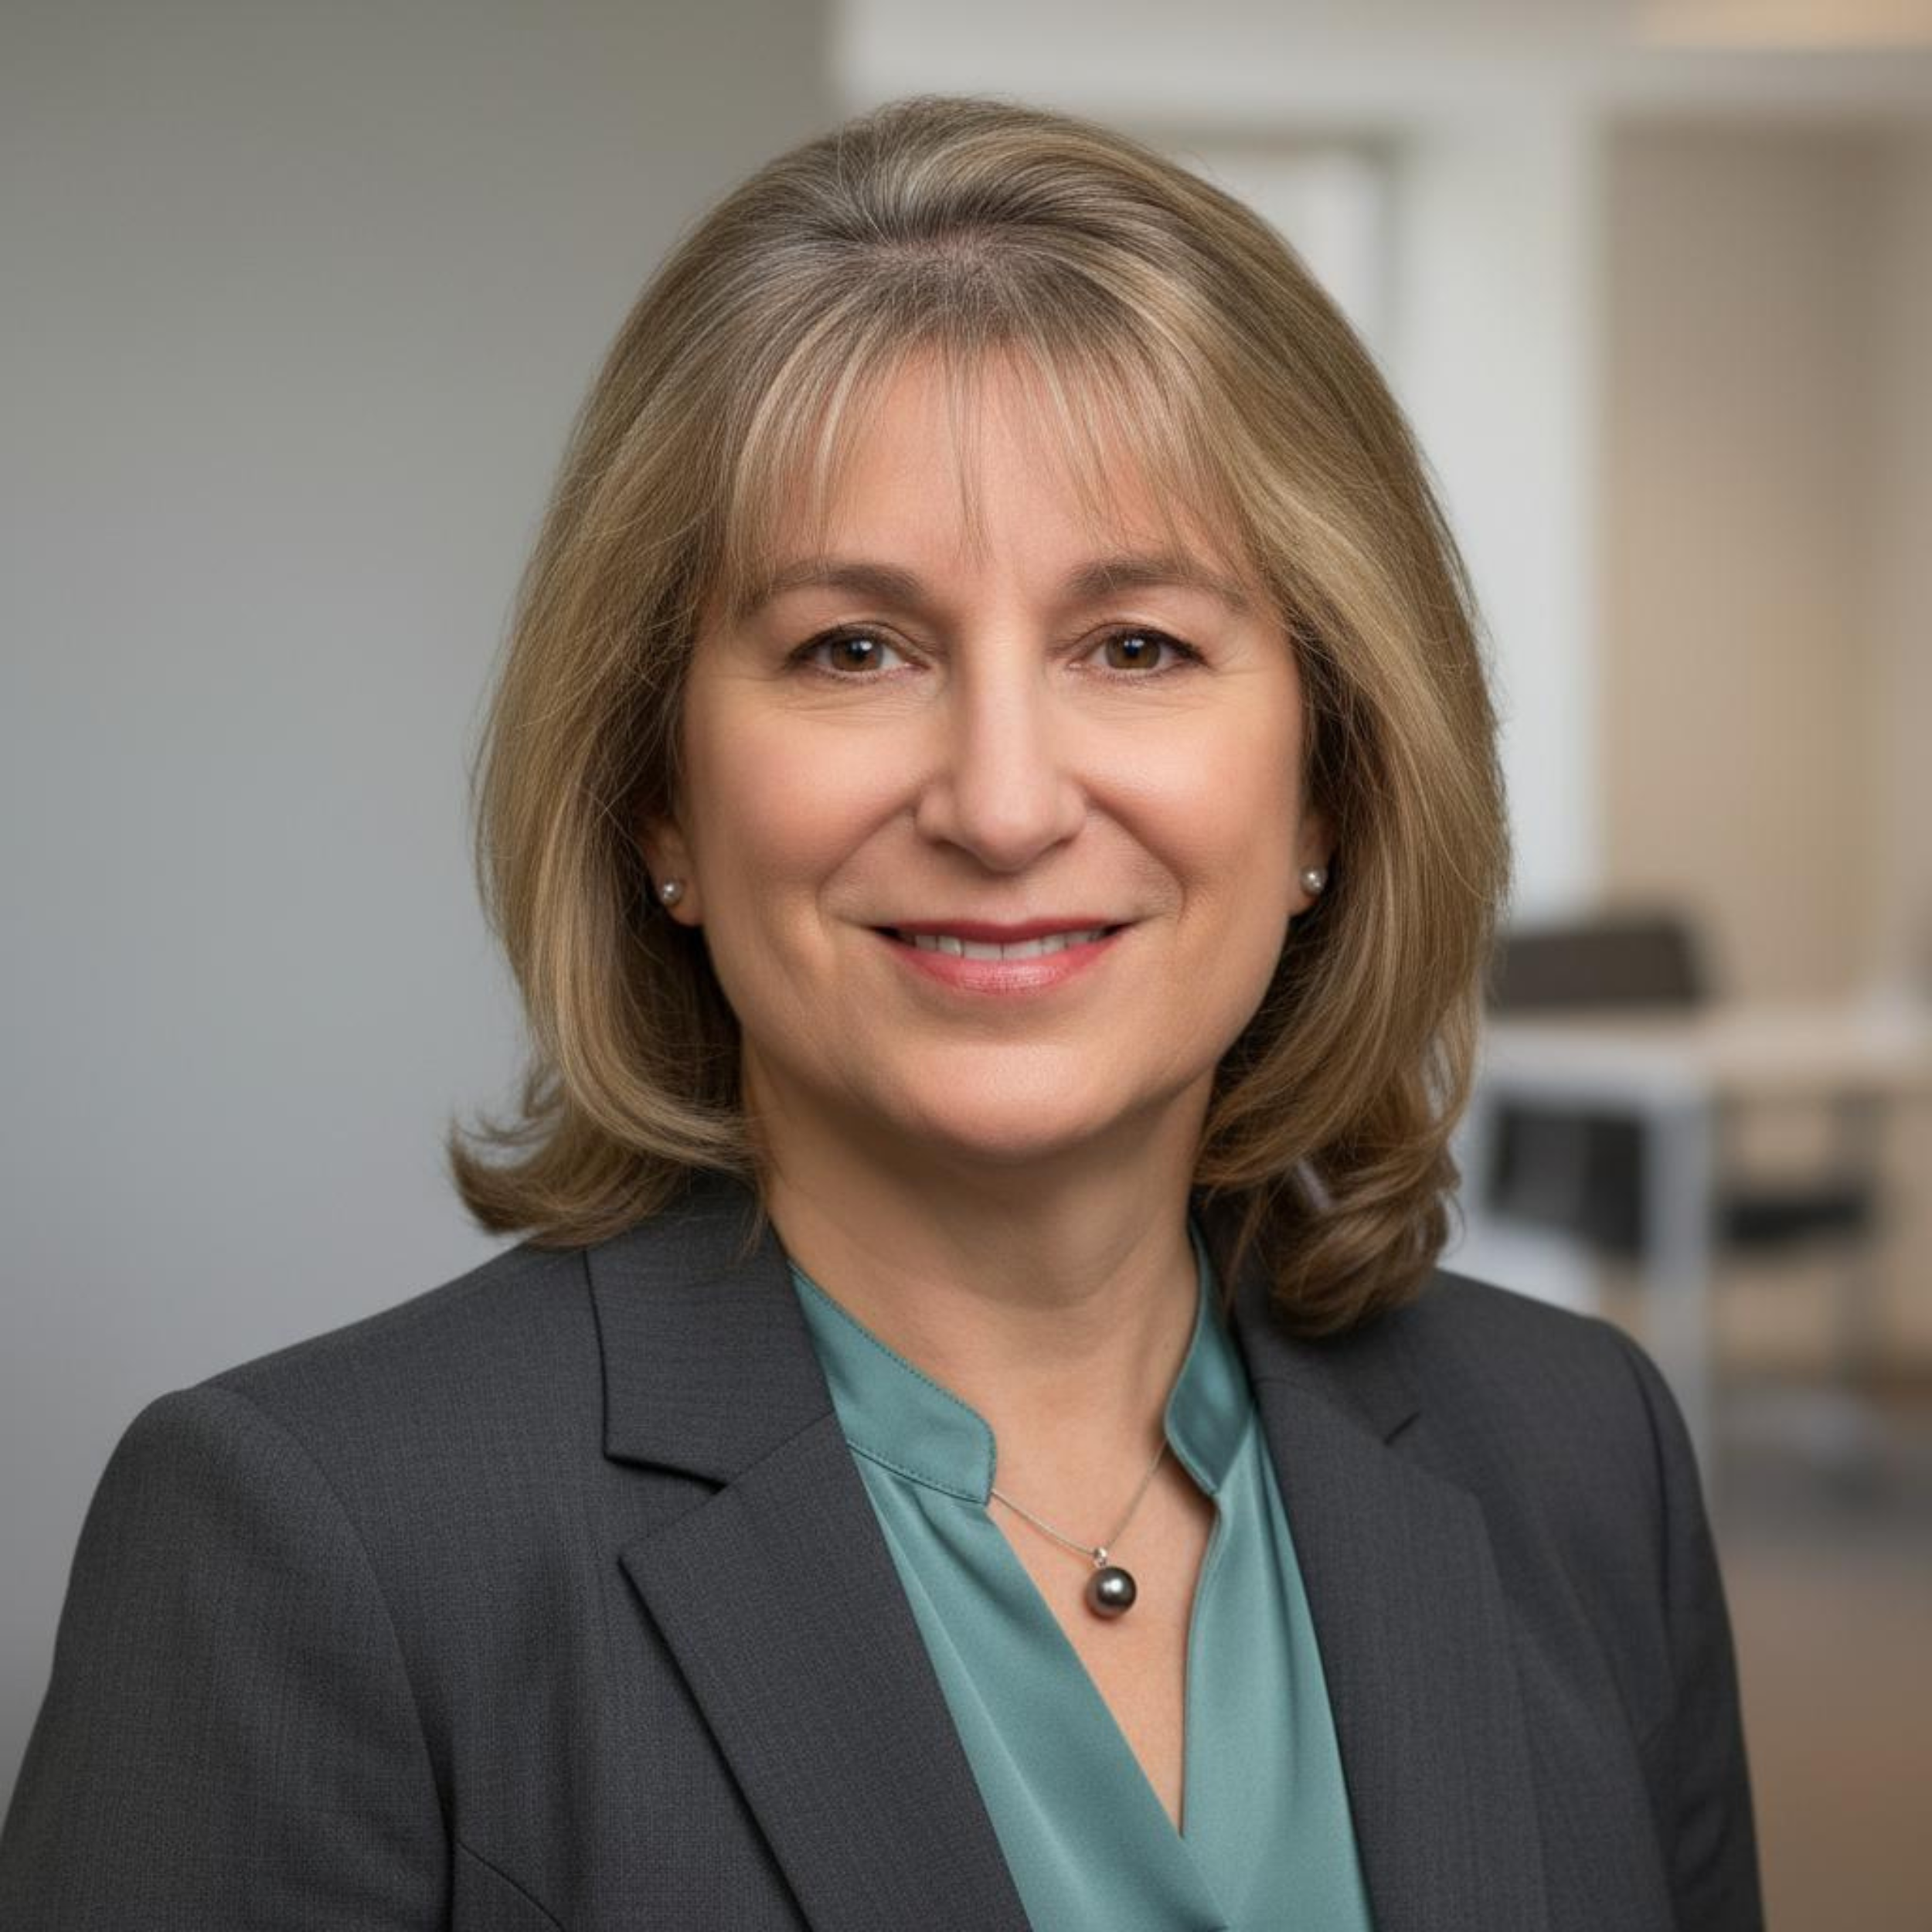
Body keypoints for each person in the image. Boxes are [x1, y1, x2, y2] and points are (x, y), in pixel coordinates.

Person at [0, 94, 1761, 1931]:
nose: (1000, 803)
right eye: (854, 648)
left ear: (1325, 782)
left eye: (1134, 645)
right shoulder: (316, 1546)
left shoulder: (1577, 1455)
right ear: (658, 797)